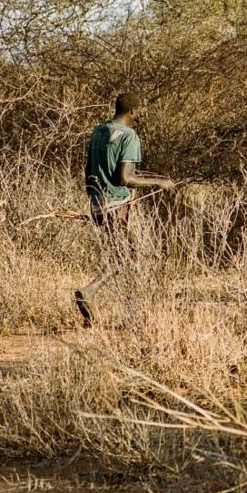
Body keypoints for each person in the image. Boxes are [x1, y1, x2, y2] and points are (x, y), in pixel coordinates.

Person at [74, 91, 177, 327]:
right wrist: (159, 183)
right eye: (137, 111)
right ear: (132, 111)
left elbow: (88, 170)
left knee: (123, 255)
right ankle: (92, 292)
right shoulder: (129, 136)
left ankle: (131, 311)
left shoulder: (98, 131)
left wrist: (95, 198)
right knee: (126, 257)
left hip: (97, 203)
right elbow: (125, 178)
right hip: (116, 204)